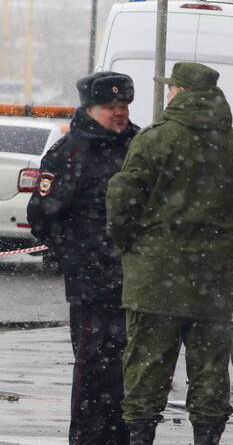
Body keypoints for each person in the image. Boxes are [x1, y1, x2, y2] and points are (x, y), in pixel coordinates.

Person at [106, 62, 233, 445]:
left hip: (153, 278)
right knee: (211, 369)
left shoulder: (154, 140)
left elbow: (122, 199)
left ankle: (141, 436)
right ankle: (207, 437)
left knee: (146, 366)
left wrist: (130, 244)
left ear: (178, 92)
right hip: (209, 280)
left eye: (169, 89)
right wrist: (225, 247)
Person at [27, 71, 140, 445]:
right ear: (89, 109)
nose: (118, 113)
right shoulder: (69, 153)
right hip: (92, 282)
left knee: (132, 368)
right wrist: (75, 255)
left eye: (122, 105)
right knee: (94, 369)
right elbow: (43, 214)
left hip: (136, 278)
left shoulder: (139, 146)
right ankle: (89, 439)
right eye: (110, 107)